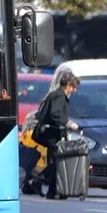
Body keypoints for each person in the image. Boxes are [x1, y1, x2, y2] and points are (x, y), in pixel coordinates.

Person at [32, 71, 80, 200]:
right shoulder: (59, 96)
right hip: (52, 135)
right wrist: (68, 124)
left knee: (56, 162)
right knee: (56, 162)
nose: (74, 90)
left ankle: (51, 191)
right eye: (74, 87)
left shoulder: (55, 94)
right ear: (68, 85)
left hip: (49, 134)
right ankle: (38, 181)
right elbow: (55, 113)